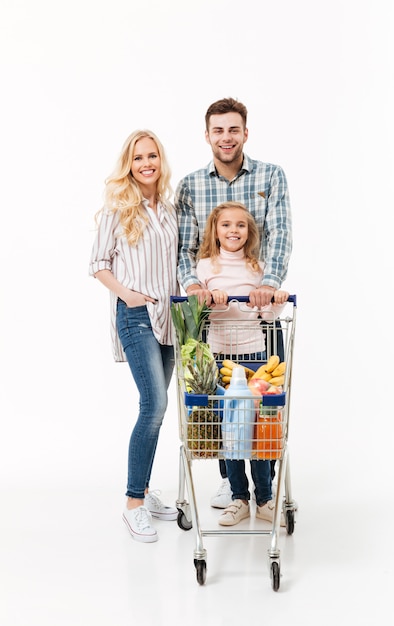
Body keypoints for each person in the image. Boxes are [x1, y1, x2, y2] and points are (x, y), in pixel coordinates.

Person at [175, 97, 292, 508]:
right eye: (218, 130)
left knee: (263, 404)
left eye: (234, 129)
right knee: (220, 403)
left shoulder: (270, 176)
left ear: (245, 132)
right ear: (207, 135)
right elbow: (183, 250)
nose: (226, 138)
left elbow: (279, 235)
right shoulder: (190, 185)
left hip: (257, 314)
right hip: (216, 318)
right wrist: (196, 289)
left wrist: (270, 285)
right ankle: (233, 483)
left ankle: (264, 489)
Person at [89, 129, 180, 543]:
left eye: (152, 156)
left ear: (160, 161)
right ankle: (132, 504)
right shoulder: (118, 207)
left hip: (170, 320)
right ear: (129, 163)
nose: (146, 163)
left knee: (157, 411)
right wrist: (128, 294)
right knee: (154, 403)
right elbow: (98, 263)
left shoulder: (170, 207)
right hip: (137, 316)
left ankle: (143, 490)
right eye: (139, 157)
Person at [196, 201, 289, 526]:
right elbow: (203, 312)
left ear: (249, 232)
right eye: (226, 225)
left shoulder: (257, 267)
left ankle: (264, 497)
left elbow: (264, 315)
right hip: (222, 358)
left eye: (240, 225)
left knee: (257, 430)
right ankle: (239, 498)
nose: (233, 230)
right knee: (230, 431)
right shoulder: (205, 267)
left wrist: (274, 301)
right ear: (215, 230)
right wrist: (212, 299)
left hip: (256, 357)